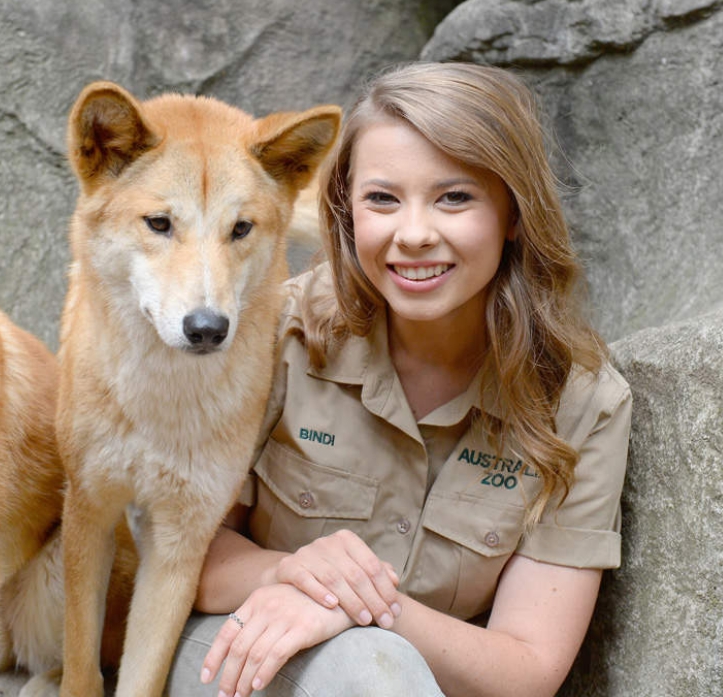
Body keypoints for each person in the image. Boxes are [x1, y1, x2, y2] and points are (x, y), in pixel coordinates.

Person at [164, 62, 632, 697]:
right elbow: (182, 553)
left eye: (455, 197)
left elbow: (528, 669)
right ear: (346, 212)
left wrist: (354, 602)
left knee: (376, 668)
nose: (414, 234)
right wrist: (296, 572)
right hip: (237, 655)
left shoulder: (583, 403)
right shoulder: (273, 331)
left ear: (515, 214)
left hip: (420, 682)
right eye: (382, 199)